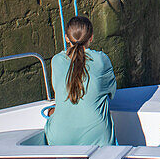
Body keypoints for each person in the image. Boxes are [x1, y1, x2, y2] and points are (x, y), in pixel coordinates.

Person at [44, 15, 118, 146]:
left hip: (59, 137)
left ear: (67, 37)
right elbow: (111, 92)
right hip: (96, 136)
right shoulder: (101, 60)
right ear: (91, 38)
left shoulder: (56, 60)